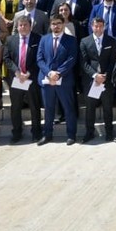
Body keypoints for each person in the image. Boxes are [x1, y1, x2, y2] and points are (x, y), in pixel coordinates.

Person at [36, 15, 78, 145]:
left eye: (59, 23)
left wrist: (58, 73)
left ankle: (71, 135)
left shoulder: (71, 40)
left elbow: (71, 59)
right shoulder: (44, 39)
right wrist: (49, 73)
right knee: (48, 109)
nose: (56, 26)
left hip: (63, 80)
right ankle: (47, 135)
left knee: (68, 108)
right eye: (53, 24)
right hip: (46, 80)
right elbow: (39, 58)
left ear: (63, 24)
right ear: (50, 25)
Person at [2, 15, 43, 143]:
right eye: (20, 25)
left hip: (31, 78)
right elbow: (7, 59)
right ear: (17, 27)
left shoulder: (38, 39)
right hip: (16, 79)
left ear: (30, 26)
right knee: (16, 106)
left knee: (34, 106)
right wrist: (17, 72)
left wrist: (29, 73)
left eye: (25, 25)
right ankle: (17, 132)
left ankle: (36, 132)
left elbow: (40, 58)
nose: (23, 27)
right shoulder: (10, 40)